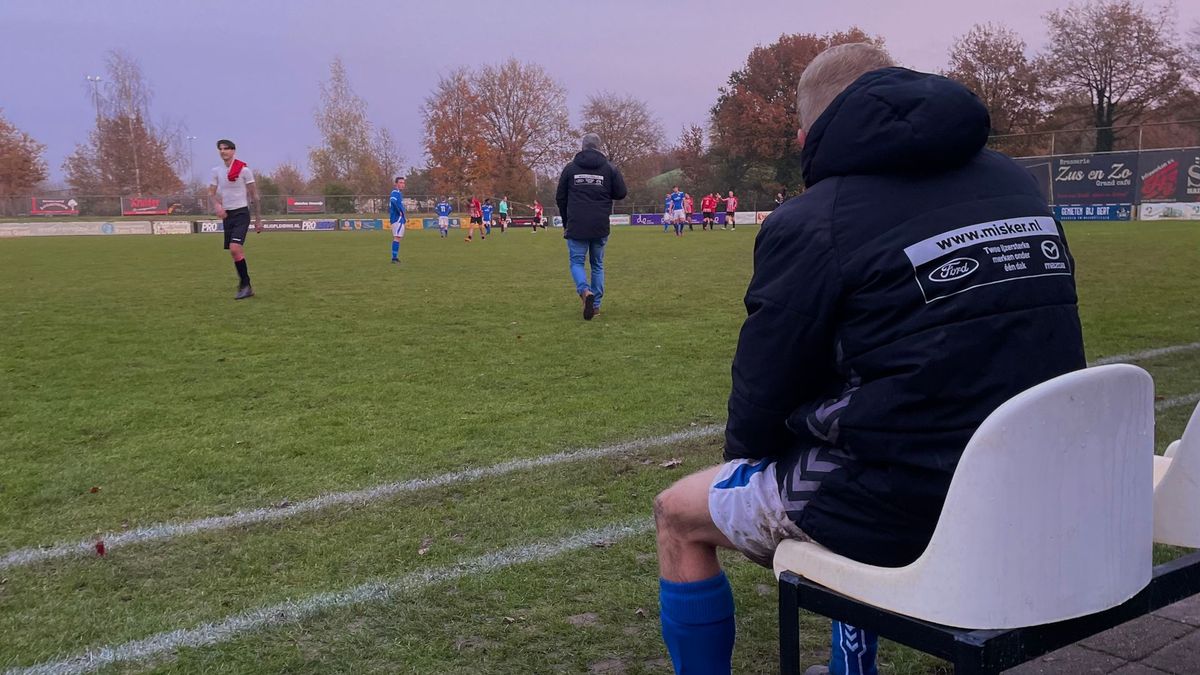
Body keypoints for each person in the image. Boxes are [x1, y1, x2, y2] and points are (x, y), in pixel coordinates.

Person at [652, 43, 1086, 675]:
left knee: (680, 514)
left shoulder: (814, 218)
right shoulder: (1017, 181)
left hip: (912, 503)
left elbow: (763, 390)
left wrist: (746, 462)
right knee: (862, 449)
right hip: (1043, 481)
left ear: (810, 135)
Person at [555, 132, 627, 320]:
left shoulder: (570, 169)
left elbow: (560, 197)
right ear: (599, 146)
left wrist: (566, 221)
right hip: (600, 224)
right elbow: (621, 193)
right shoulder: (609, 168)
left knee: (577, 262)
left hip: (576, 223)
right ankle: (595, 305)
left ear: (583, 146)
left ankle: (584, 291)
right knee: (597, 264)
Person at [208, 139, 262, 300]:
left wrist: (258, 219)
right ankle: (245, 285)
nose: (223, 151)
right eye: (220, 149)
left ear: (233, 151)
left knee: (234, 248)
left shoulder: (244, 171)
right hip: (227, 215)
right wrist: (217, 205)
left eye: (226, 148)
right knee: (235, 253)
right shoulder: (216, 171)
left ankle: (245, 285)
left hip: (241, 214)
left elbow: (254, 195)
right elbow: (211, 192)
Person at [389, 176, 406, 264]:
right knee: (397, 237)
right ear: (396, 184)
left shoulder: (399, 193)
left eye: (403, 183)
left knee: (398, 237)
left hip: (399, 219)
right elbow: (392, 201)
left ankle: (394, 257)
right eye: (400, 182)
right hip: (397, 219)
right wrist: (399, 211)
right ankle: (394, 258)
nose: (402, 184)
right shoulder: (395, 192)